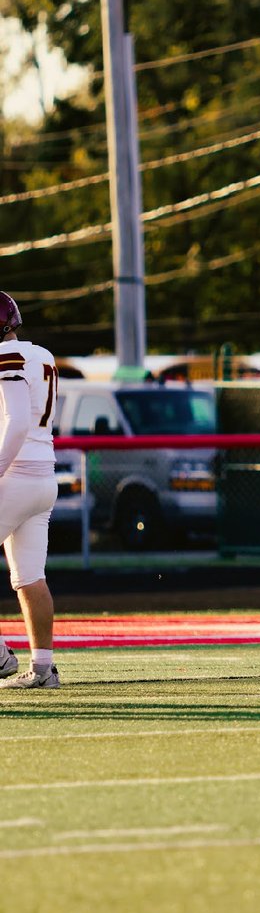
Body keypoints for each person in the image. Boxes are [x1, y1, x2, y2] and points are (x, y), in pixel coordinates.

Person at [0, 292, 61, 689]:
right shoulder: (43, 355)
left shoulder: (6, 357)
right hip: (45, 478)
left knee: (29, 577)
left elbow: (18, 421)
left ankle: (2, 658)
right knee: (29, 578)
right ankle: (43, 669)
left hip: (17, 475)